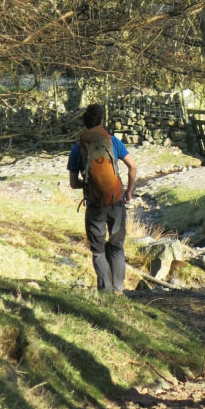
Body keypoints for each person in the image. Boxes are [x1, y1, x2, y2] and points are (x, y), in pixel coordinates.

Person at [68, 103, 137, 293]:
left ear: (86, 124)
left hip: (95, 205)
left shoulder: (77, 148)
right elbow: (133, 166)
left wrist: (90, 185)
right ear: (101, 121)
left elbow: (73, 183)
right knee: (116, 246)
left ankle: (106, 291)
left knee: (98, 251)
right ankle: (118, 289)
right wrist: (129, 191)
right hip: (116, 201)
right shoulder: (114, 142)